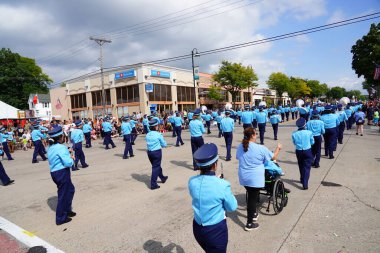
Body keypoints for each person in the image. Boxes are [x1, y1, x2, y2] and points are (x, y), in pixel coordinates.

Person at [189, 143, 237, 252]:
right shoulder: (222, 185)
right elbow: (232, 207)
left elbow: (202, 191)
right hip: (215, 231)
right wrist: (222, 184)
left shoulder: (192, 181)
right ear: (215, 165)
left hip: (197, 228)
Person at [236, 127, 282, 230]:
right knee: (252, 200)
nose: (256, 135)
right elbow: (273, 158)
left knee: (252, 196)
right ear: (252, 135)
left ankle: (253, 214)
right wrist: (278, 148)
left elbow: (238, 157)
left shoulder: (241, 146)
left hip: (243, 177)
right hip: (255, 178)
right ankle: (249, 223)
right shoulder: (260, 148)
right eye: (255, 134)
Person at [47, 126, 76, 225]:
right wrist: (72, 157)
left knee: (70, 190)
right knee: (63, 195)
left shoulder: (50, 147)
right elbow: (68, 163)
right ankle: (60, 218)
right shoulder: (61, 147)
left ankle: (67, 210)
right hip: (62, 172)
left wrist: (67, 152)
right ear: (60, 137)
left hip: (55, 172)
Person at [292, 118, 314, 190]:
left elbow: (294, 143)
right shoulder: (309, 132)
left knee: (300, 165)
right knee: (307, 167)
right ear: (305, 125)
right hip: (307, 150)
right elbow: (312, 142)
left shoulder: (294, 134)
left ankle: (302, 179)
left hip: (298, 150)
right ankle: (305, 184)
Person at [146, 118, 168, 190]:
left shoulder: (148, 134)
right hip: (156, 152)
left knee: (156, 165)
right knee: (155, 167)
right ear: (156, 127)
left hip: (149, 152)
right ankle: (153, 184)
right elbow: (164, 144)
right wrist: (165, 144)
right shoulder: (158, 134)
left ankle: (162, 177)